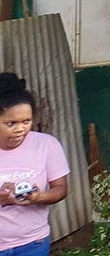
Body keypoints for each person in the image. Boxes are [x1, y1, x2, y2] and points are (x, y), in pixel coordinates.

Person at [0, 73, 69, 256]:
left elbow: (60, 188)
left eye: (26, 121)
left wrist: (38, 197)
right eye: (10, 123)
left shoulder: (46, 145)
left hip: (33, 244)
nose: (20, 129)